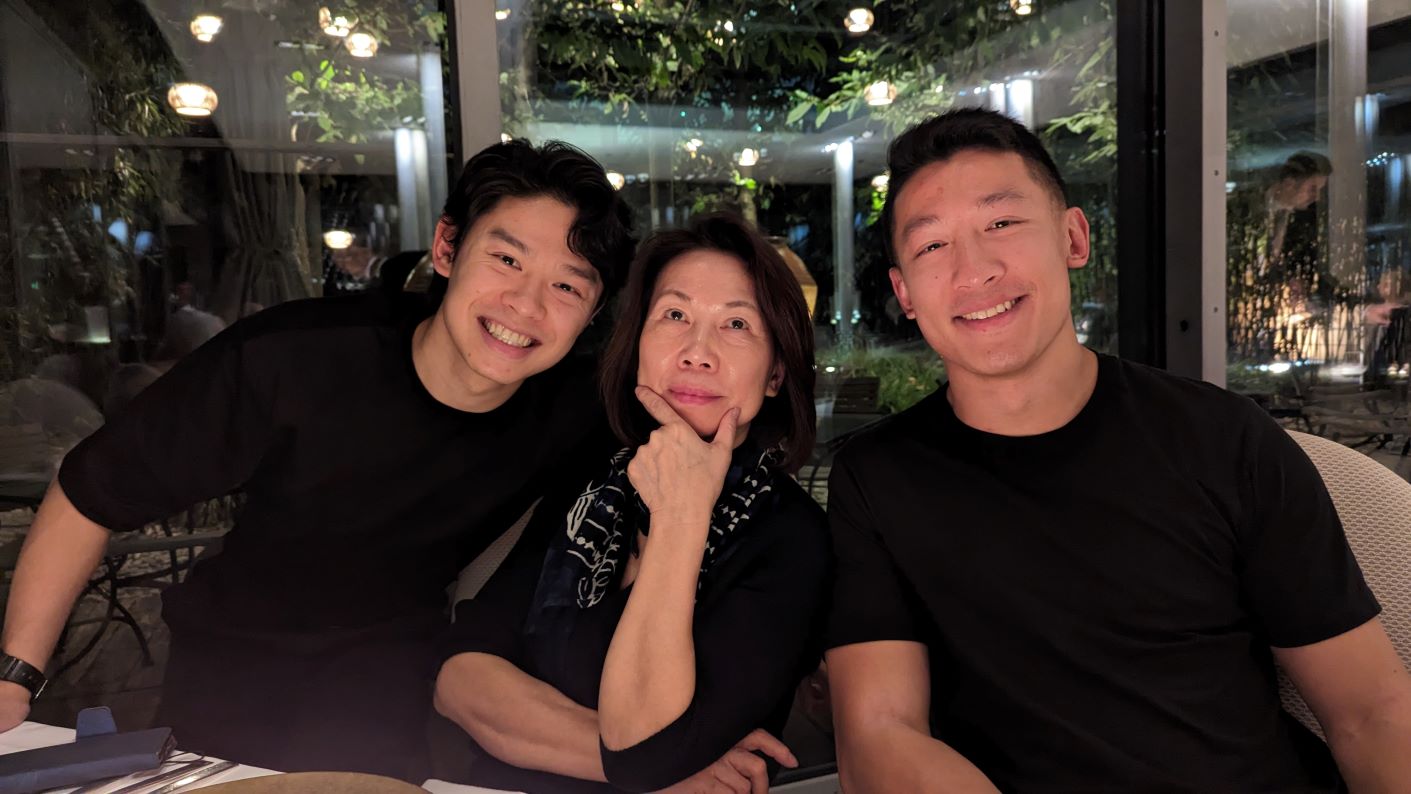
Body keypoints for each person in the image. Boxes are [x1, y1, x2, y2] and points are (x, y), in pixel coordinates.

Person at [0, 139, 636, 779]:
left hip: (386, 670)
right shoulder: (294, 359)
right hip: (233, 658)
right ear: (447, 248)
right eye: (506, 259)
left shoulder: (576, 404)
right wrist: (14, 677)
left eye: (566, 286)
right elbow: (91, 493)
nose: (526, 305)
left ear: (593, 313)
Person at [825, 108, 1411, 792]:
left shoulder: (1221, 437)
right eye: (932, 246)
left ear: (1073, 238)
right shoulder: (878, 480)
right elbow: (879, 735)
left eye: (1002, 223)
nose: (974, 269)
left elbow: (1370, 711)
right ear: (904, 293)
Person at [433, 213, 830, 793]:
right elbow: (459, 677)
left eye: (736, 324)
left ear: (774, 374)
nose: (697, 352)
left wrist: (680, 516)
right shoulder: (593, 480)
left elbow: (643, 740)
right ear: (638, 343)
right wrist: (661, 769)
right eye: (674, 315)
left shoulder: (791, 536)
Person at [1227, 151, 1334, 363]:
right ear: (1289, 183)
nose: (1317, 197)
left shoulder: (1298, 218)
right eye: (1312, 188)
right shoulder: (1240, 210)